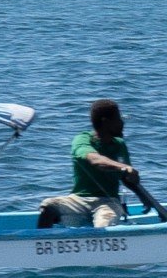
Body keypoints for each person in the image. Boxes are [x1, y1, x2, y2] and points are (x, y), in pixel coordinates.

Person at [39, 98, 151, 229]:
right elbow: (95, 160)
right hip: (78, 200)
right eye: (118, 119)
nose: (122, 123)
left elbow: (126, 178)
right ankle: (40, 245)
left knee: (104, 224)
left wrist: (143, 197)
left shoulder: (119, 145)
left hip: (109, 202)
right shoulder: (82, 140)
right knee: (47, 206)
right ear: (106, 122)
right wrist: (124, 167)